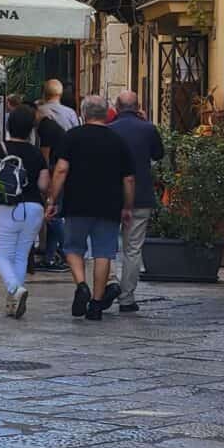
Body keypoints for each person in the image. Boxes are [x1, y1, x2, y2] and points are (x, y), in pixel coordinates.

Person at [46, 95, 135, 321]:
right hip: (109, 203)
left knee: (73, 248)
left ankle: (81, 284)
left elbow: (61, 170)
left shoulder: (72, 137)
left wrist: (52, 199)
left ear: (83, 113)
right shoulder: (118, 140)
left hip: (78, 202)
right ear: (106, 113)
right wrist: (127, 206)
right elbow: (129, 179)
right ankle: (96, 303)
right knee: (104, 253)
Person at [0, 105, 48, 319]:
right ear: (30, 129)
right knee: (21, 254)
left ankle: (14, 289)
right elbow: (44, 185)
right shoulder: (37, 153)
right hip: (33, 208)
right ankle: (13, 301)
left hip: (5, 207)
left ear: (9, 125)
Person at [108, 91, 165, 313]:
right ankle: (126, 298)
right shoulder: (148, 128)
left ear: (117, 106)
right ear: (138, 106)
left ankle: (107, 286)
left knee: (106, 246)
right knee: (133, 249)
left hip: (111, 197)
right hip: (140, 196)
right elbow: (158, 154)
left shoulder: (109, 130)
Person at [34, 109, 67, 270]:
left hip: (56, 171)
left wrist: (46, 180)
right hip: (58, 169)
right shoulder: (51, 125)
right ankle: (50, 257)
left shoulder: (45, 128)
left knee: (53, 215)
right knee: (53, 215)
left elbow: (45, 156)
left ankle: (68, 250)